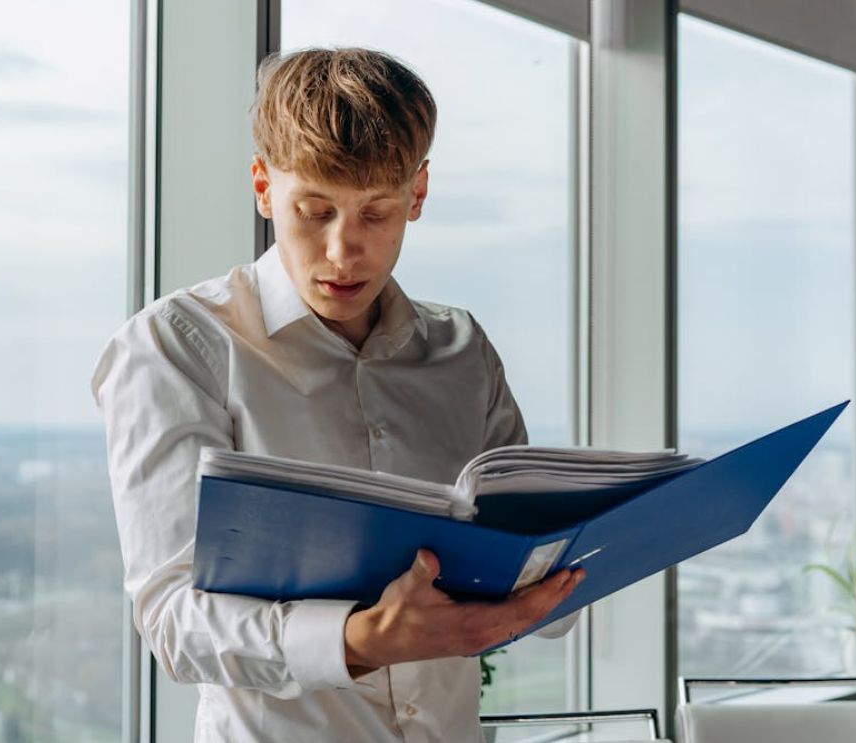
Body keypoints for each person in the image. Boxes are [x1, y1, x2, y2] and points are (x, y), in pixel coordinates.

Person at [91, 47, 584, 743]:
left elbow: (530, 557)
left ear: (417, 195)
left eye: (375, 213)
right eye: (313, 210)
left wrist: (556, 583)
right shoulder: (177, 346)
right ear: (263, 187)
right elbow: (174, 621)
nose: (342, 251)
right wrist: (359, 638)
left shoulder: (460, 349)